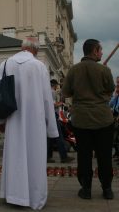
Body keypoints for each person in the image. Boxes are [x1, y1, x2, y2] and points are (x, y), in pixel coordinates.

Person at [0, 37, 59, 210]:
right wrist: (52, 128)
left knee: (15, 156)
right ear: (35, 50)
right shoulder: (39, 66)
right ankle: (35, 196)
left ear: (22, 48)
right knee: (35, 158)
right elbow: (46, 99)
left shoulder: (6, 63)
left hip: (13, 118)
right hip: (35, 121)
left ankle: (14, 195)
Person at [62, 39, 115, 200]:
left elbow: (66, 93)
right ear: (93, 51)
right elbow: (111, 89)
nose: (102, 53)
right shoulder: (104, 70)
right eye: (100, 50)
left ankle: (86, 189)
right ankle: (107, 189)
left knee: (84, 156)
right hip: (103, 119)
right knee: (104, 155)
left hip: (81, 119)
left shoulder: (73, 70)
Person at [47, 79, 74, 163]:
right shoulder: (52, 92)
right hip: (53, 115)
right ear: (54, 85)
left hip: (50, 115)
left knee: (50, 137)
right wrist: (61, 103)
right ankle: (64, 156)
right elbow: (52, 104)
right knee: (59, 136)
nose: (57, 87)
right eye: (57, 85)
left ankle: (48, 156)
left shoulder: (48, 92)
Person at [109, 77, 119, 159]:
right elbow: (110, 104)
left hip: (117, 116)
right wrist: (115, 95)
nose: (117, 86)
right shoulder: (116, 95)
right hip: (115, 117)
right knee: (115, 137)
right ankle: (117, 152)